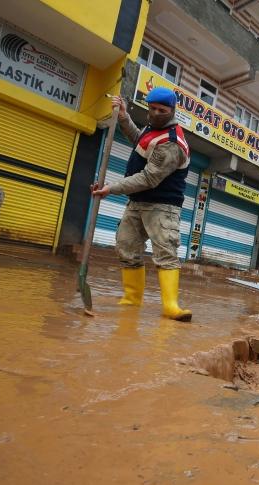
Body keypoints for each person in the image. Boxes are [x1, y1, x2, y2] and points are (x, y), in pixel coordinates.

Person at [91, 88, 193, 322]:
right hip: (137, 202)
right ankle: (132, 298)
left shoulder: (171, 142)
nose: (156, 113)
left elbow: (149, 178)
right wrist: (125, 118)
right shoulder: (152, 128)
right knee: (125, 245)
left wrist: (111, 188)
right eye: (153, 108)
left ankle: (171, 307)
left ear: (171, 111)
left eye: (162, 110)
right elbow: (139, 141)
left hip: (162, 206)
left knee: (165, 253)